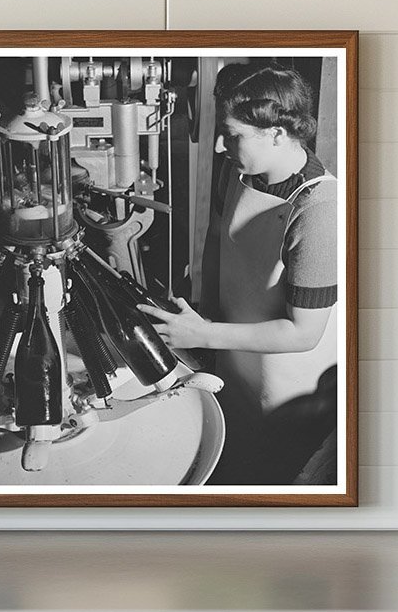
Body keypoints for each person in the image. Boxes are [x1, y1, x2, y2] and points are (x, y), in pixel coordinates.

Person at [138, 63, 338, 484]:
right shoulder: (238, 170)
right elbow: (219, 238)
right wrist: (202, 313)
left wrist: (205, 335)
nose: (218, 146)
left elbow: (303, 334)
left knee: (268, 477)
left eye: (233, 134)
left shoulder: (318, 210)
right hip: (232, 354)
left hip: (283, 384)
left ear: (277, 134)